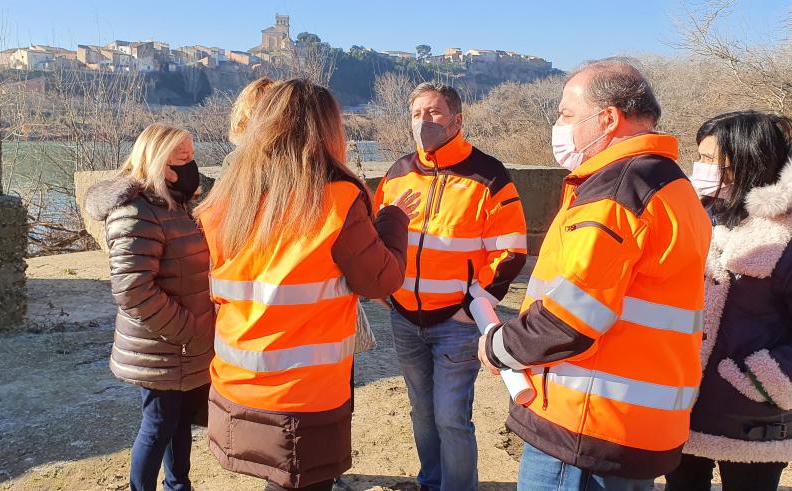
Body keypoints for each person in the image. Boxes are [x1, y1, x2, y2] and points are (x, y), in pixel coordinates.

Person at [477, 59, 712, 490]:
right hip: (635, 422)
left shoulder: (616, 191)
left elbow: (571, 318)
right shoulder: (672, 186)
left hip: (585, 424)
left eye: (566, 114)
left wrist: (498, 346)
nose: (559, 125)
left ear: (607, 118)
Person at [194, 78, 420, 491]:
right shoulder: (336, 198)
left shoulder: (225, 199)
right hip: (304, 399)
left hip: (236, 385)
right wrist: (392, 219)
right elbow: (381, 279)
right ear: (328, 131)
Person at [372, 82, 527, 491]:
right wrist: (387, 291)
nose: (424, 121)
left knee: (451, 417)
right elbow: (377, 236)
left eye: (434, 113)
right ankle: (430, 481)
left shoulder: (488, 174)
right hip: (403, 317)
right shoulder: (397, 172)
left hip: (456, 322)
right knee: (421, 411)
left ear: (457, 119)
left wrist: (475, 302)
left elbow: (510, 251)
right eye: (416, 114)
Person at [663, 111, 792, 491]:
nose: (699, 168)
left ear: (747, 164)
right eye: (699, 157)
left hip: (757, 417)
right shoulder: (701, 213)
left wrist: (761, 381)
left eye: (709, 160)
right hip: (682, 405)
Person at [83, 123, 214, 491]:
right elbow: (133, 290)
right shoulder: (135, 211)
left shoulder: (176, 205)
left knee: (177, 424)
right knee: (157, 426)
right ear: (156, 159)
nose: (190, 163)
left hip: (185, 346)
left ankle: (178, 486)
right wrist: (189, 328)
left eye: (192, 154)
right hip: (162, 345)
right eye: (181, 156)